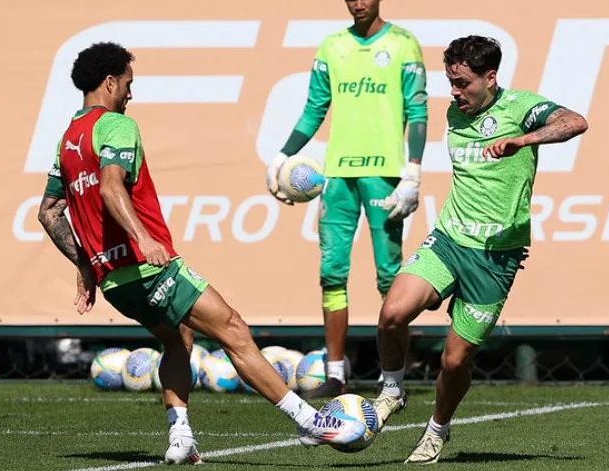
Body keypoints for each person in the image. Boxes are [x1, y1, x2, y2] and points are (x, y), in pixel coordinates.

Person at [37, 42, 366, 465]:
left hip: (115, 282)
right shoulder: (115, 125)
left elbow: (48, 213)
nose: (130, 94)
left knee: (180, 339)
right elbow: (110, 187)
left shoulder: (68, 140)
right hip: (148, 268)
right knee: (233, 329)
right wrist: (142, 238)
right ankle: (311, 423)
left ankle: (181, 437)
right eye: (128, 84)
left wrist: (85, 262)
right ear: (110, 82)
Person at [371, 35, 589, 464]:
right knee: (392, 313)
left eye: (462, 82)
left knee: (455, 361)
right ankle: (392, 389)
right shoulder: (457, 111)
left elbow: (576, 122)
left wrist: (523, 142)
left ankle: (437, 429)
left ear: (490, 78)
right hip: (449, 240)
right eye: (450, 81)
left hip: (494, 257)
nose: (454, 92)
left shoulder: (522, 108)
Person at [265, 0, 429, 398]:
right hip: (337, 177)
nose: (359, 5)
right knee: (331, 273)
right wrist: (282, 157)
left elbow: (418, 111)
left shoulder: (403, 44)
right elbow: (314, 108)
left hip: (386, 177)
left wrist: (413, 171)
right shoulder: (332, 46)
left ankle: (393, 380)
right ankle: (335, 374)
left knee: (390, 279)